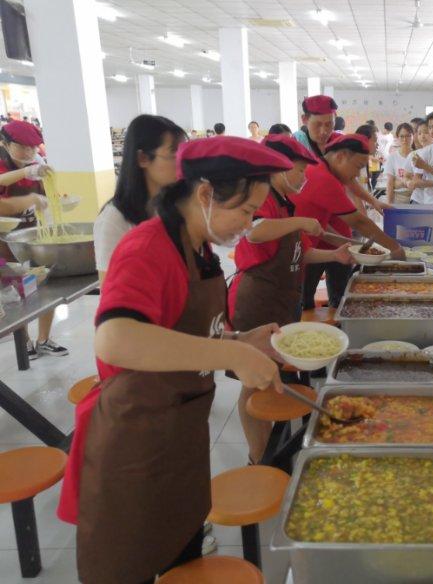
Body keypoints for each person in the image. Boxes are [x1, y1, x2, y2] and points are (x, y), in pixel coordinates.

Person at [58, 137, 290, 584]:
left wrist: (240, 338)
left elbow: (178, 332)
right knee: (130, 565)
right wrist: (230, 353)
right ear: (205, 194)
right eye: (246, 211)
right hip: (135, 442)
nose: (250, 223)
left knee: (181, 553)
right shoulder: (147, 247)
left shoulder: (198, 248)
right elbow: (116, 338)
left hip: (181, 436)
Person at [228, 134, 352, 464]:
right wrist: (301, 222)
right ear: (277, 169)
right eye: (299, 171)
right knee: (253, 381)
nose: (303, 177)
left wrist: (335, 255)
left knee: (269, 377)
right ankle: (259, 458)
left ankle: (273, 444)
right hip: (257, 302)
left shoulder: (285, 202)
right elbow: (254, 231)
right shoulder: (265, 198)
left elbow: (300, 253)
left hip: (282, 301)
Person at [292, 134, 404, 309]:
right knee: (299, 304)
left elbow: (320, 225)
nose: (358, 174)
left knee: (304, 303)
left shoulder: (323, 168)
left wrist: (355, 244)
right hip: (295, 253)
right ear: (340, 156)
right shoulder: (324, 178)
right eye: (358, 167)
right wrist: (395, 248)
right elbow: (359, 222)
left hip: (305, 247)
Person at [0, 120, 68, 359]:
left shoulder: (37, 167)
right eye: (22, 146)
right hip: (4, 244)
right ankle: (25, 343)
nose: (29, 152)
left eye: (33, 147)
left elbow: (48, 197)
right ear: (5, 143)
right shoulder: (6, 167)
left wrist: (56, 202)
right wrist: (28, 189)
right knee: (16, 295)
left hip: (32, 237)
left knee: (47, 287)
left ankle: (44, 339)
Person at [94, 115, 187, 283]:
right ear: (142, 158)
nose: (181, 163)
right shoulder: (114, 220)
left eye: (183, 154)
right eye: (173, 154)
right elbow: (109, 287)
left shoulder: (172, 207)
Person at [384, 123, 415, 204]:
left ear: (413, 136)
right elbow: (390, 184)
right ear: (397, 137)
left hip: (416, 198)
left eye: (408, 136)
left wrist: (399, 182)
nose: (405, 139)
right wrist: (389, 205)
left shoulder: (418, 155)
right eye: (402, 136)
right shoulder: (392, 157)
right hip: (399, 198)